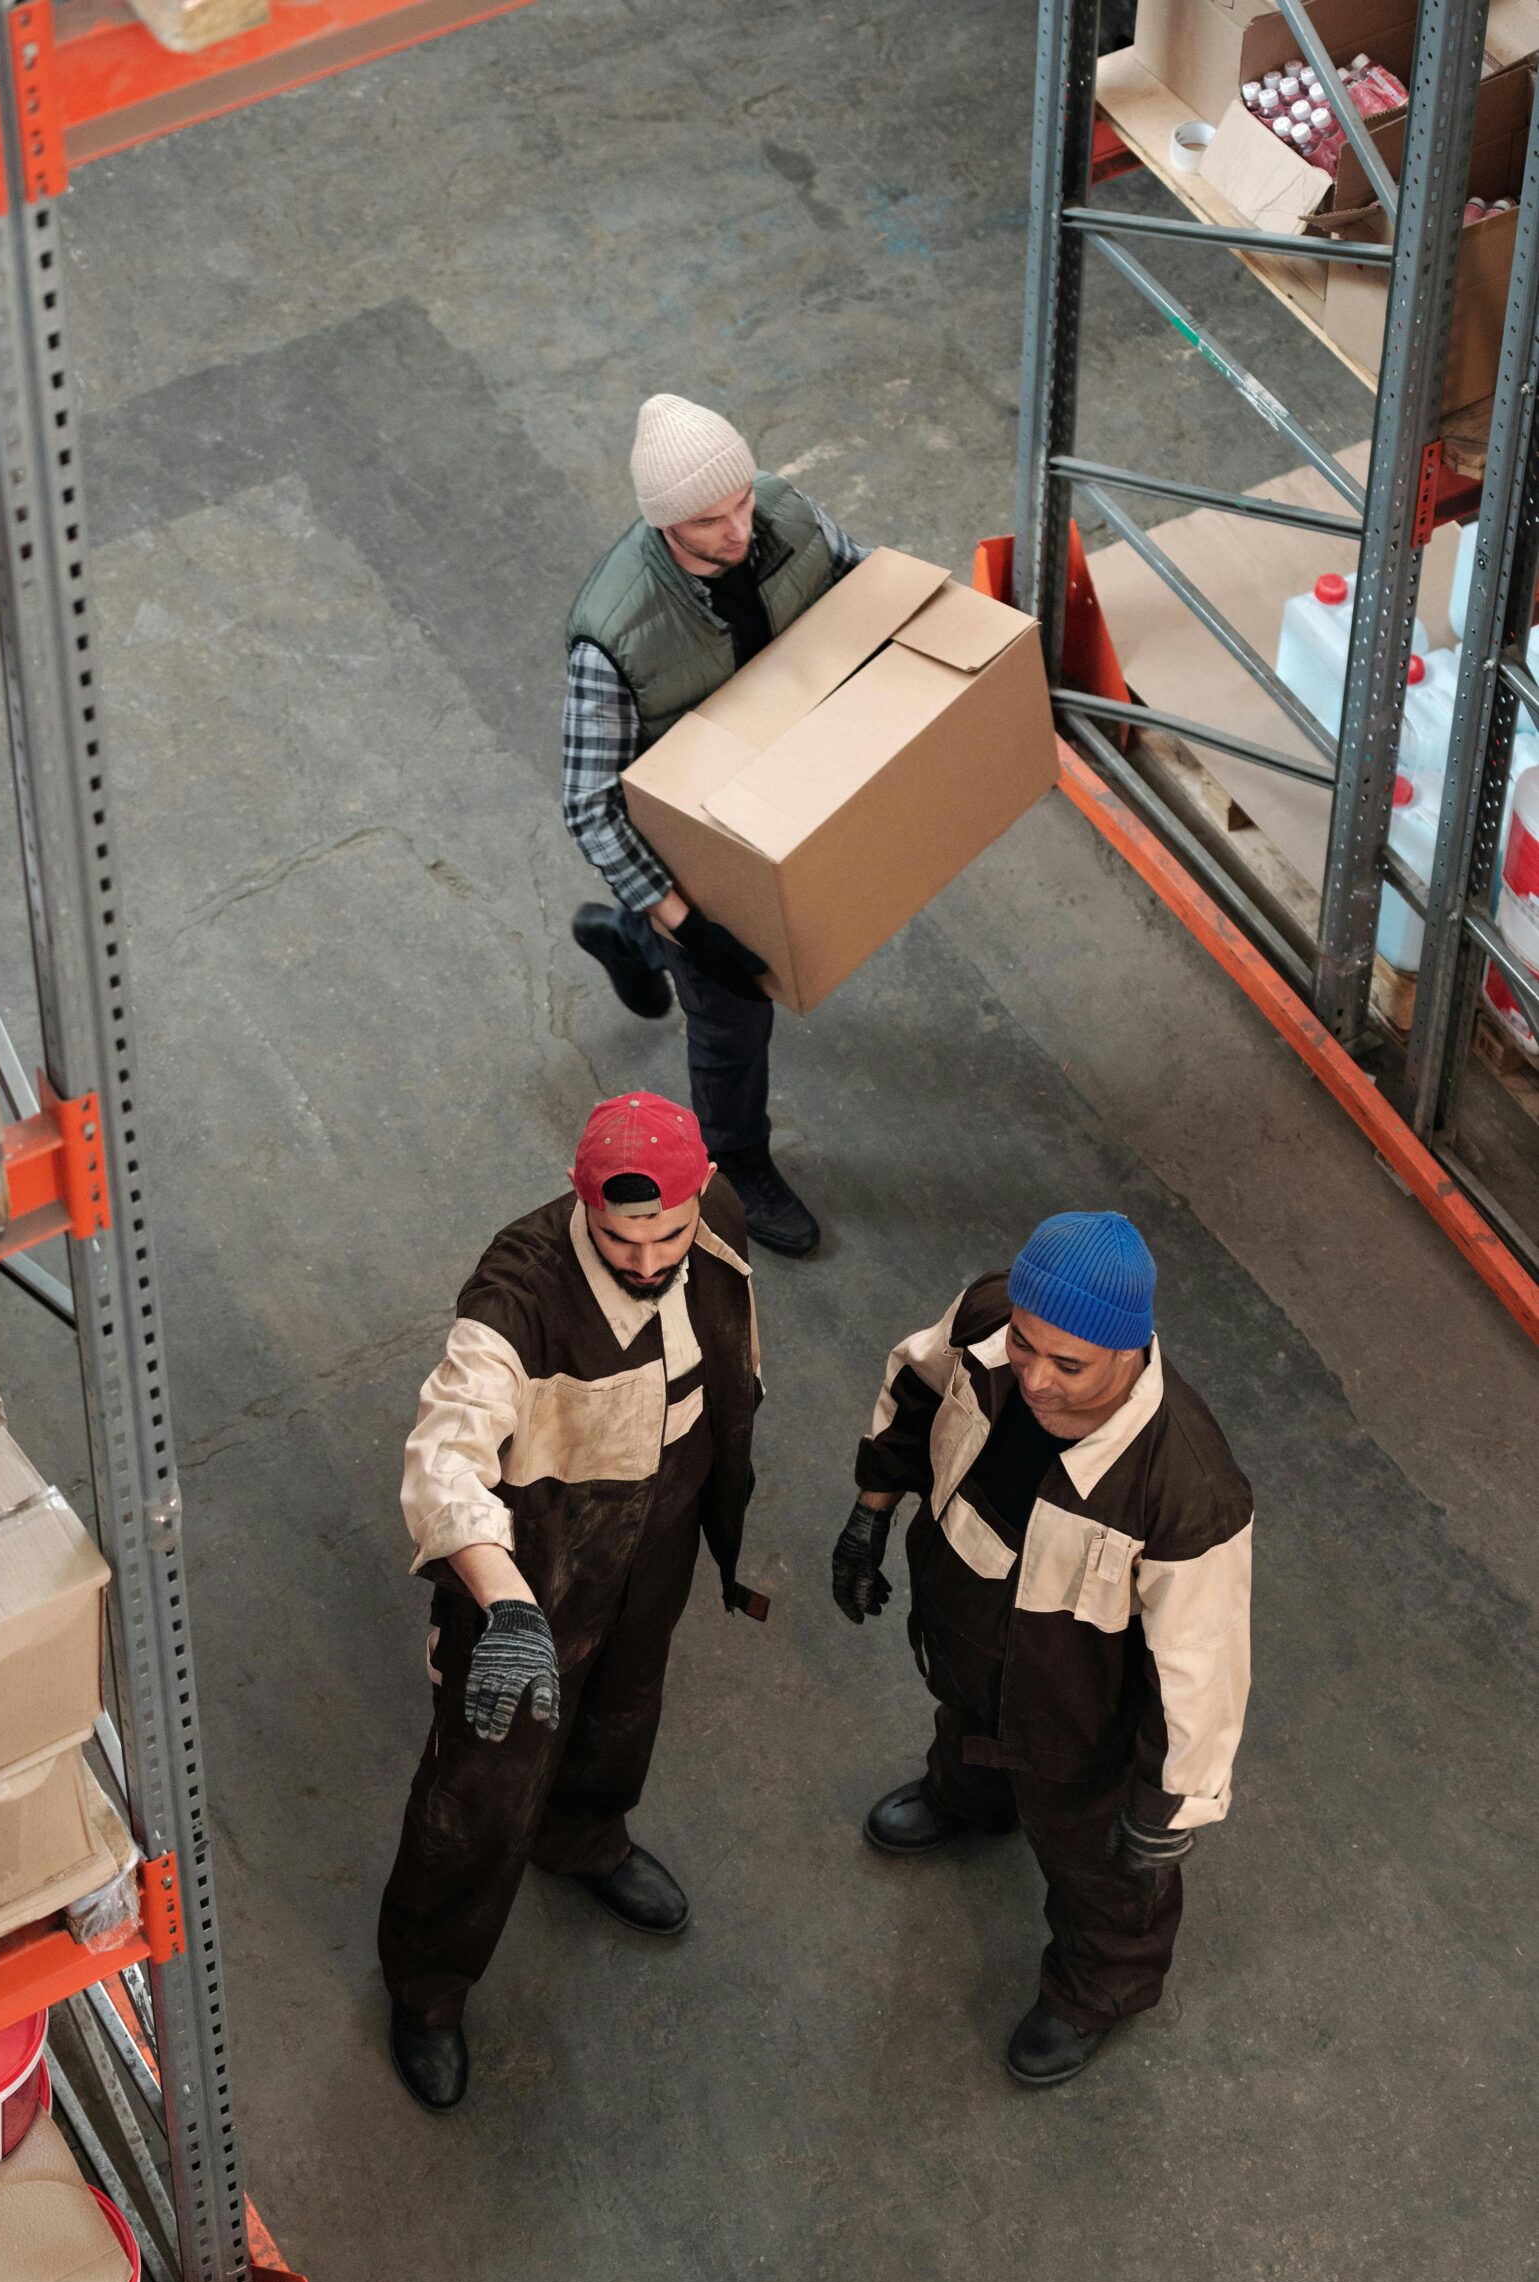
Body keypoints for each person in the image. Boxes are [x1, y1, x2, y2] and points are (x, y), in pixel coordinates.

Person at [378, 1091, 765, 2112]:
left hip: (660, 1529)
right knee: (481, 1787)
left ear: (703, 1189)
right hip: (532, 1571)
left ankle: (585, 1836)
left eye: (668, 1233)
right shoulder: (518, 1297)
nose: (647, 1260)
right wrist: (504, 1608)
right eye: (619, 1236)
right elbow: (443, 1461)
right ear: (577, 1199)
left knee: (625, 1706)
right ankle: (427, 1986)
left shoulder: (716, 1225)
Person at [833, 1212, 1253, 2086]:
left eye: (1069, 1365)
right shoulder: (990, 1316)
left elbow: (1200, 1670)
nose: (1034, 1379)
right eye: (1025, 1347)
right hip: (964, 1635)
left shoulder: (1185, 1489)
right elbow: (914, 1390)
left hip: (1078, 1713)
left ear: (1130, 1353)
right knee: (968, 1725)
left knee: (1098, 1864)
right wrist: (869, 1514)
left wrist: (1166, 1808)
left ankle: (1098, 1986)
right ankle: (969, 1798)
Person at [563, 393, 871, 1259]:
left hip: (774, 784)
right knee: (731, 1014)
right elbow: (590, 804)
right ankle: (734, 1163)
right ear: (663, 523)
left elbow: (864, 587)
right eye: (709, 519)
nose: (739, 529)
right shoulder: (614, 637)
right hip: (693, 840)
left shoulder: (782, 511)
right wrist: (688, 923)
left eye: (741, 501)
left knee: (715, 963)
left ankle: (627, 936)